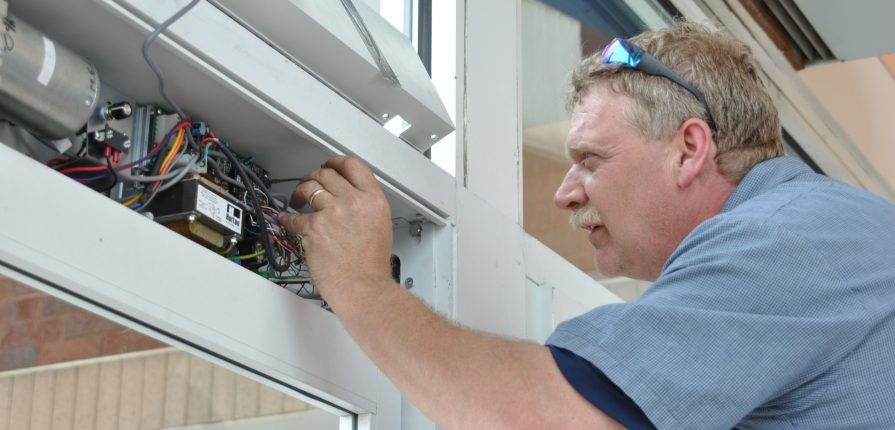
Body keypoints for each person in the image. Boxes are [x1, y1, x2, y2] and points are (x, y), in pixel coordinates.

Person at [279, 22, 895, 429]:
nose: (565, 194)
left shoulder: (788, 240)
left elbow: (555, 417)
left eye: (590, 160)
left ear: (688, 149)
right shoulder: (827, 232)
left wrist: (361, 285)